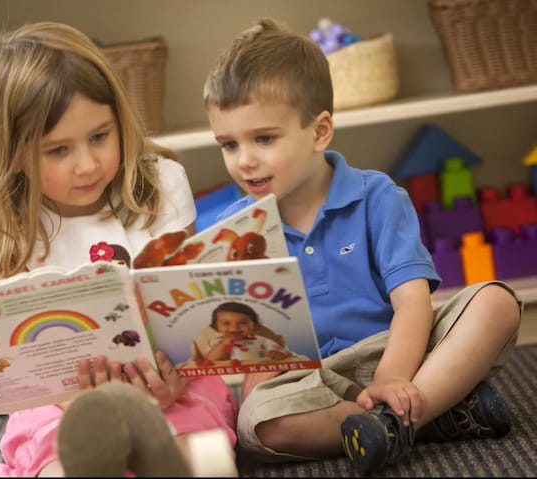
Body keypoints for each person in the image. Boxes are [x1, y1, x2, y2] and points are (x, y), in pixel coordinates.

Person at [0, 21, 238, 478]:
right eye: (58, 149)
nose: (87, 164)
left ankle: (155, 457)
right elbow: (16, 354)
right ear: (13, 152)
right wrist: (84, 403)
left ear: (120, 119)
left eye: (100, 136)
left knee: (208, 460)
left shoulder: (161, 185)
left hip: (171, 382)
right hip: (56, 400)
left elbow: (183, 311)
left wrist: (167, 382)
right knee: (57, 460)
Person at [203, 18, 522, 474]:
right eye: (228, 144)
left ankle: (404, 411)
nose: (244, 160)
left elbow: (413, 300)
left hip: (404, 353)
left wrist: (394, 375)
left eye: (264, 139)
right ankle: (428, 415)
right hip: (313, 380)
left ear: (319, 132)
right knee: (261, 425)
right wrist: (255, 375)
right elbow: (248, 346)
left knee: (496, 303)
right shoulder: (233, 231)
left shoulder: (377, 196)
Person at [203, 301, 292, 362]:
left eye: (243, 323)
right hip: (227, 377)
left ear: (254, 325)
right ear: (216, 326)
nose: (234, 328)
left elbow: (284, 351)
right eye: (226, 323)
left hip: (257, 374)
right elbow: (210, 359)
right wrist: (224, 345)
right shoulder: (216, 342)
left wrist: (279, 354)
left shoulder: (261, 341)